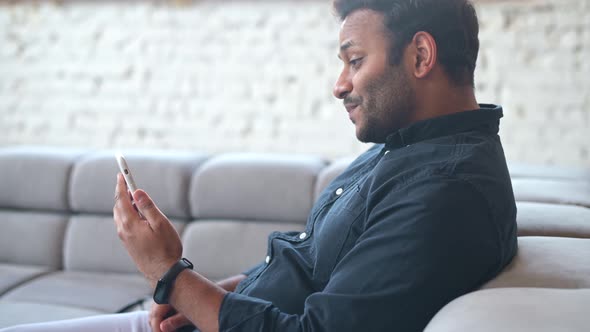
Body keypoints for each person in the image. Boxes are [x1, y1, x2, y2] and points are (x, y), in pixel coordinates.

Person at [1, 0, 517, 331]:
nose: (339, 84)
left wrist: (168, 274)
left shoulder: (446, 193)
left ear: (421, 56)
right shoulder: (411, 150)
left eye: (354, 60)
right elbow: (315, 262)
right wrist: (210, 295)